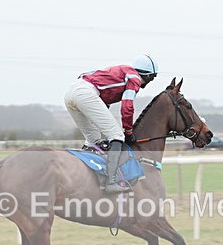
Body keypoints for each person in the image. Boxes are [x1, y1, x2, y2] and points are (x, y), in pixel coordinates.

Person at [65, 55, 158, 193]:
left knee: (93, 139)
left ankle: (84, 178)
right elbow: (127, 107)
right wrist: (128, 132)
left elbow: (102, 103)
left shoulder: (123, 71)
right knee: (117, 136)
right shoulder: (134, 78)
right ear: (149, 76)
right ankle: (111, 182)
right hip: (85, 93)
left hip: (71, 93)